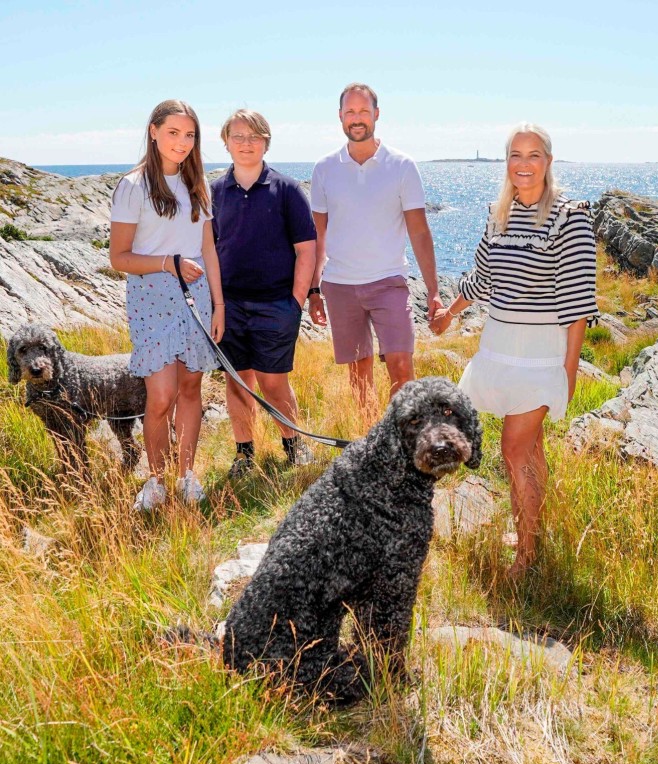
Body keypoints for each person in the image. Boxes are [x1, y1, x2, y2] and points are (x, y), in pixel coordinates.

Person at [430, 123, 598, 577]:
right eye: (515, 156)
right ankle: (533, 532)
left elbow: (579, 303)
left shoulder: (570, 216)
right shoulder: (498, 212)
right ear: (506, 162)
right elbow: (483, 276)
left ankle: (525, 558)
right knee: (531, 448)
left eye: (534, 155)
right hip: (498, 347)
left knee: (513, 448)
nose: (524, 165)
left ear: (548, 161)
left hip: (542, 352)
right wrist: (450, 311)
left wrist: (569, 370)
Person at [110, 99, 225, 510]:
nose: (182, 142)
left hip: (196, 298)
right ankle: (155, 480)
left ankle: (186, 476)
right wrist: (167, 264)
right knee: (160, 397)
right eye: (173, 132)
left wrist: (219, 304)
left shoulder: (199, 185)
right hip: (151, 298)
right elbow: (118, 257)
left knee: (192, 387)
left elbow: (209, 251)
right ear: (154, 131)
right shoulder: (133, 186)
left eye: (189, 134)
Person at [310, 83, 442, 414]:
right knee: (359, 376)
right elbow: (318, 236)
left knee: (401, 367)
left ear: (376, 115)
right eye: (350, 112)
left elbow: (419, 231)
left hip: (389, 282)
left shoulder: (401, 165)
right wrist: (314, 290)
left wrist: (434, 290)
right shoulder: (324, 169)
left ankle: (405, 445)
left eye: (364, 112)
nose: (357, 119)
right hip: (340, 286)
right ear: (340, 117)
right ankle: (371, 448)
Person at [211, 110, 318, 476]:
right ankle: (244, 454)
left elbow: (307, 249)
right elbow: (208, 251)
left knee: (274, 384)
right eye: (237, 136)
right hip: (229, 306)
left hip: (277, 304)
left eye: (253, 136)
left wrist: (295, 303)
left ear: (266, 142)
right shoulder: (213, 193)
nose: (245, 143)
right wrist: (216, 304)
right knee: (238, 382)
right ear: (225, 142)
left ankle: (294, 445)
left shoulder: (286, 189)